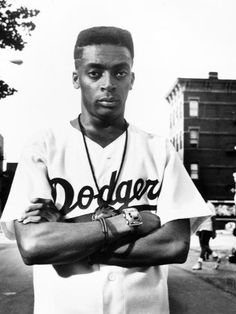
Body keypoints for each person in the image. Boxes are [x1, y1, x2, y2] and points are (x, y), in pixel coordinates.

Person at [0, 26, 212, 314]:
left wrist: (67, 237)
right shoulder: (43, 146)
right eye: (95, 72)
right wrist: (128, 223)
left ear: (132, 79)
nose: (108, 83)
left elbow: (173, 245)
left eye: (120, 73)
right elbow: (34, 246)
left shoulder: (159, 149)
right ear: (77, 78)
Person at [192, 201, 220, 270]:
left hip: (207, 228)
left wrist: (214, 231)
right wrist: (197, 229)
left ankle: (199, 263)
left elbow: (213, 219)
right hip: (201, 228)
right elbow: (199, 219)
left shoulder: (210, 205)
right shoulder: (200, 204)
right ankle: (216, 257)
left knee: (204, 246)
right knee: (203, 246)